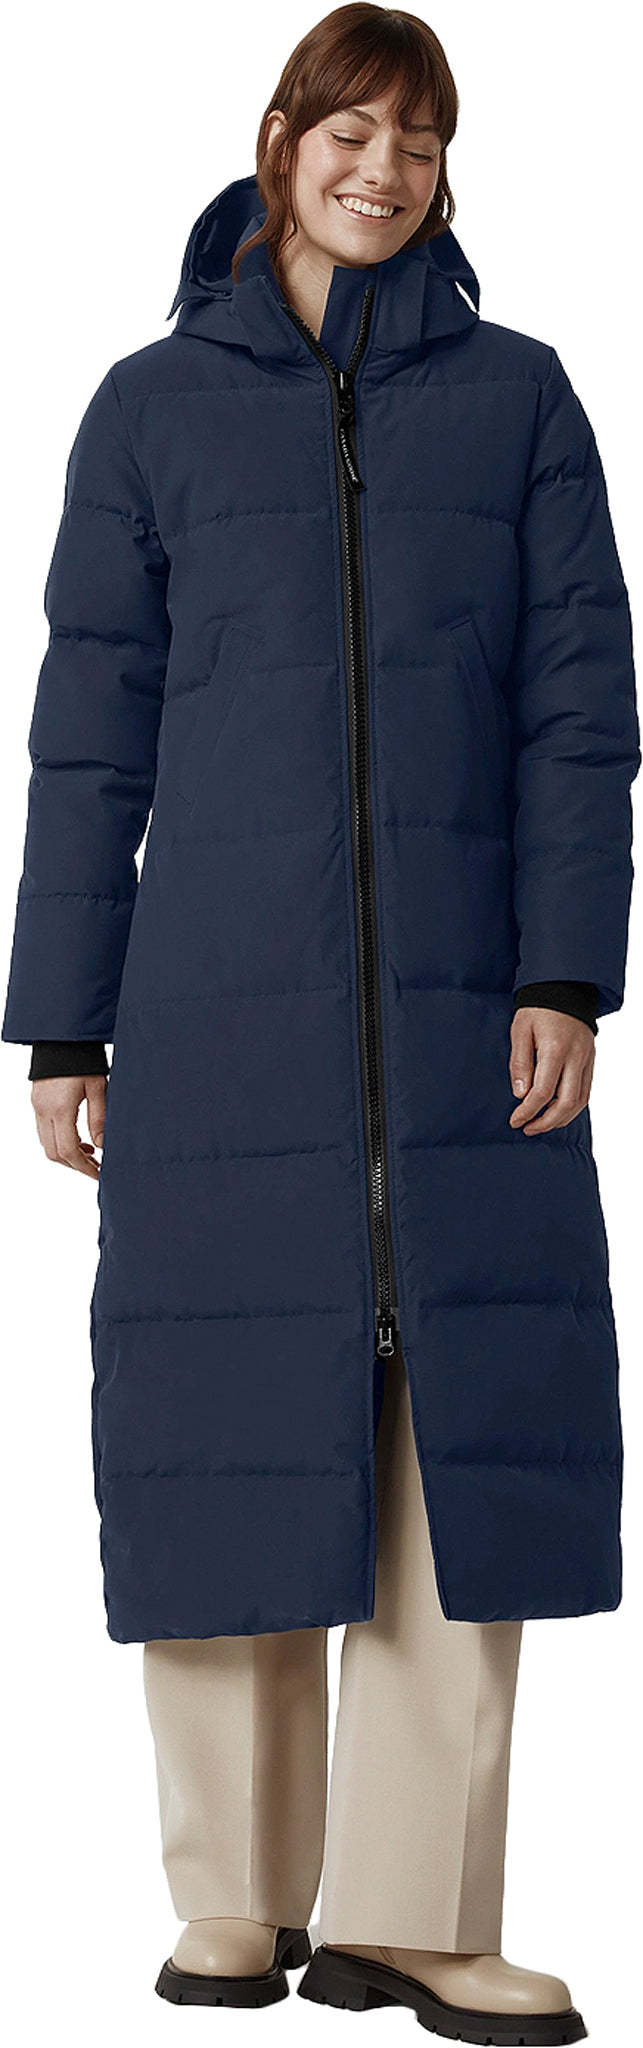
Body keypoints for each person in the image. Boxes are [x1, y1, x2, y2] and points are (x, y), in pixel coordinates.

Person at [2, 8, 638, 2042]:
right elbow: (88, 739)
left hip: (467, 1020)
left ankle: (412, 1915)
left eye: (420, 143)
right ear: (279, 138)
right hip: (217, 1017)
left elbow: (581, 715)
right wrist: (63, 1025)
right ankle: (234, 1898)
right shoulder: (150, 411)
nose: (384, 171)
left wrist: (563, 974)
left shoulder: (522, 402)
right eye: (352, 130)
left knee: (461, 1447)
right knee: (222, 1424)